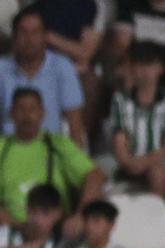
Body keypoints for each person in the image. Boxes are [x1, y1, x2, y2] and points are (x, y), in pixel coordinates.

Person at [0, 88, 105, 232]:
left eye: (32, 109)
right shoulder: (2, 147)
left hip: (55, 232)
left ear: (43, 113)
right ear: (11, 114)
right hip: (9, 231)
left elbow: (95, 176)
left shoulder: (58, 143)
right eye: (21, 109)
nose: (27, 115)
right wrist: (15, 224)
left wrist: (80, 215)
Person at [0, 8, 86, 146]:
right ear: (14, 37)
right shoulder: (1, 68)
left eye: (35, 32)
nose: (29, 39)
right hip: (7, 155)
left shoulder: (62, 67)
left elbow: (75, 127)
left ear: (45, 36)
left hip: (50, 153)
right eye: (23, 32)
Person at [109, 43, 165, 200]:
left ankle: (159, 221)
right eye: (140, 65)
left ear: (160, 69)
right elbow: (119, 140)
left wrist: (143, 162)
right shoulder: (120, 99)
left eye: (150, 65)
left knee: (157, 172)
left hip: (159, 162)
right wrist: (128, 162)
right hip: (127, 160)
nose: (145, 71)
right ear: (132, 69)